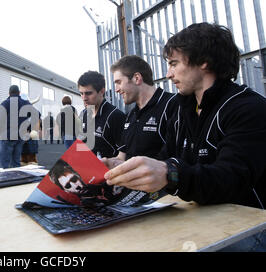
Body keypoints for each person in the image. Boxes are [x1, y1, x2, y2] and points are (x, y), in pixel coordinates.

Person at [104, 23, 266, 251]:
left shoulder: (248, 108)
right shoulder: (182, 110)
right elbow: (165, 158)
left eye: (173, 64)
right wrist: (122, 168)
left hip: (249, 228)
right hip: (200, 219)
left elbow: (231, 178)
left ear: (203, 62)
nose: (168, 74)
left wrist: (170, 174)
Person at [102, 55, 178, 168]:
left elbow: (180, 160)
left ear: (137, 78)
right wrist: (107, 163)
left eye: (119, 82)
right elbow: (122, 158)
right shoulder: (131, 115)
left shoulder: (173, 105)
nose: (117, 89)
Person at [78, 71, 125, 159]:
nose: (84, 98)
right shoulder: (84, 114)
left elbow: (124, 154)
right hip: (88, 169)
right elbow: (83, 145)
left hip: (110, 170)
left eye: (88, 93)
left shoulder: (115, 116)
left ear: (102, 91)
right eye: (81, 93)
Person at [0, 85, 37, 168]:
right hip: (20, 136)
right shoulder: (25, 103)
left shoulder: (5, 103)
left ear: (9, 93)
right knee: (16, 162)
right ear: (19, 93)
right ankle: (17, 178)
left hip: (7, 135)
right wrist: (29, 128)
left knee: (3, 164)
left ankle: (4, 179)